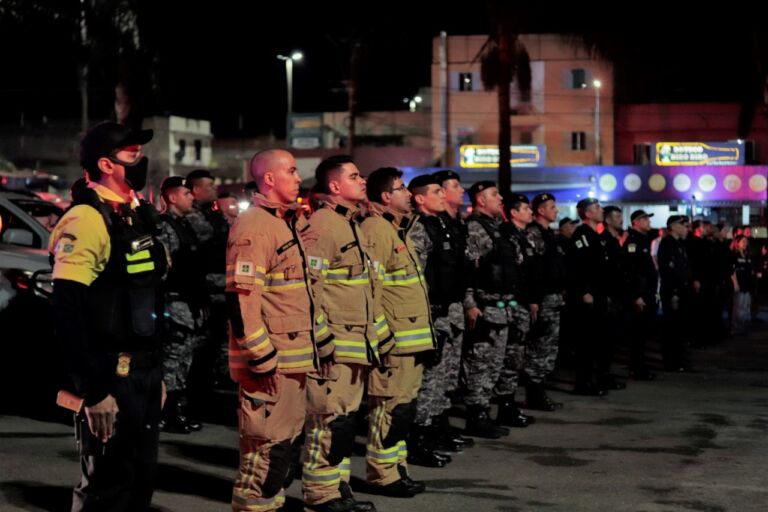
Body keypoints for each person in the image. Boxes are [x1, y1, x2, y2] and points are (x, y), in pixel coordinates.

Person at [50, 121, 166, 510]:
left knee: (139, 483)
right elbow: (67, 310)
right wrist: (92, 389)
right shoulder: (86, 218)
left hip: (145, 374)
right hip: (110, 377)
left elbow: (146, 295)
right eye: (132, 154)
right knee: (107, 488)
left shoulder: (136, 212)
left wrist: (156, 373)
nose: (141, 161)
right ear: (105, 164)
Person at [226, 149, 334, 512]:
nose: (297, 178)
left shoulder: (284, 222)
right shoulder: (255, 225)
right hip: (273, 364)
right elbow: (242, 301)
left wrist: (321, 343)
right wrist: (262, 358)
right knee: (265, 455)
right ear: (269, 179)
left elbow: (302, 295)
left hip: (294, 360)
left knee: (281, 451)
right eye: (290, 171)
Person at [300, 155, 382, 512]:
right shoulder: (323, 225)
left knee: (344, 424)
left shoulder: (349, 223)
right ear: (335, 186)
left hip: (355, 343)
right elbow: (310, 287)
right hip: (335, 344)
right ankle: (320, 497)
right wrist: (322, 339)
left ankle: (339, 489)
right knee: (328, 421)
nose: (362, 180)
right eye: (354, 176)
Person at [360, 167, 435, 498]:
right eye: (402, 188)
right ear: (386, 196)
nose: (408, 193)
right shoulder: (377, 229)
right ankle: (382, 475)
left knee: (402, 410)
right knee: (388, 409)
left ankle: (396, 468)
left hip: (411, 339)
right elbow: (370, 288)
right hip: (395, 342)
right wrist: (382, 336)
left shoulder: (398, 229)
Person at [156, 176, 206, 433]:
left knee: (185, 357)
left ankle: (177, 409)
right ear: (173, 197)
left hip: (189, 300)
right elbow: (164, 269)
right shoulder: (165, 226)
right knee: (174, 358)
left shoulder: (185, 224)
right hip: (175, 301)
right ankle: (168, 412)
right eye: (187, 193)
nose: (192, 197)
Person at [525, 194, 567, 410]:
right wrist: (534, 299)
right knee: (539, 348)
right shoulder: (534, 233)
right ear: (540, 211)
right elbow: (534, 270)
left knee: (549, 347)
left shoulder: (549, 234)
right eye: (552, 207)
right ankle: (534, 394)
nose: (556, 210)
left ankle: (540, 391)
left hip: (553, 297)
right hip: (541, 299)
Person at [622, 210, 658, 380]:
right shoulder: (633, 242)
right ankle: (636, 368)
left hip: (647, 293)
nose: (648, 221)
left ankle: (640, 366)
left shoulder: (643, 240)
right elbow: (631, 271)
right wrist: (636, 295)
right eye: (644, 219)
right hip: (640, 295)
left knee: (643, 334)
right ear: (635, 222)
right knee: (638, 334)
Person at [657, 215, 693, 372]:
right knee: (672, 327)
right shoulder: (667, 244)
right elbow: (668, 271)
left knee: (680, 327)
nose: (687, 228)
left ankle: (680, 360)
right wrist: (673, 293)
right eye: (683, 225)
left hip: (682, 291)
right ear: (673, 226)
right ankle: (671, 361)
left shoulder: (680, 244)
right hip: (673, 292)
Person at [730, 234, 754, 335]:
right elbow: (732, 271)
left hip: (747, 285)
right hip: (739, 285)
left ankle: (743, 327)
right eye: (743, 241)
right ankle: (735, 328)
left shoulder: (747, 255)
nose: (745, 243)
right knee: (738, 307)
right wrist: (735, 283)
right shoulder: (734, 255)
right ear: (738, 243)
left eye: (746, 241)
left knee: (746, 306)